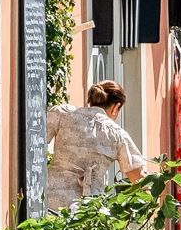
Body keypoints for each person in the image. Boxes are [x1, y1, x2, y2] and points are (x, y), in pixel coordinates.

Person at [46, 81, 147, 211]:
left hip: (49, 201)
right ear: (116, 107)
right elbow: (138, 178)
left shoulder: (63, 114)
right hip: (86, 210)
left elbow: (35, 142)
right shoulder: (117, 135)